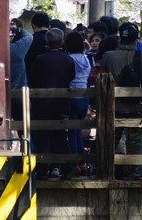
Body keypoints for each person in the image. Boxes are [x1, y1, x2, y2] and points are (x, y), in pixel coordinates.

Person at [98, 22, 142, 180]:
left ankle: (108, 170)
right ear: (135, 40)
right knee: (134, 140)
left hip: (113, 105)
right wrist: (141, 90)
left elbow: (100, 78)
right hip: (136, 104)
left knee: (112, 138)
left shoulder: (108, 57)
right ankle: (131, 172)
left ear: (119, 39)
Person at [28, 28, 74, 179]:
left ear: (47, 42)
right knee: (61, 137)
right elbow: (71, 76)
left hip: (42, 104)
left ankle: (42, 171)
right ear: (62, 41)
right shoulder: (68, 59)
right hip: (61, 104)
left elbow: (32, 78)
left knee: (42, 138)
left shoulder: (40, 59)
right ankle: (66, 170)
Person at [63, 31, 91, 161]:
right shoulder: (85, 58)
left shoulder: (69, 59)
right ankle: (82, 159)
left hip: (72, 97)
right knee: (78, 131)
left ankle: (75, 161)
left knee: (72, 132)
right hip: (84, 97)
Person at [9, 21, 33, 122]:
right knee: (24, 128)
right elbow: (28, 36)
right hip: (20, 95)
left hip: (1, 95)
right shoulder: (16, 49)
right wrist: (14, 29)